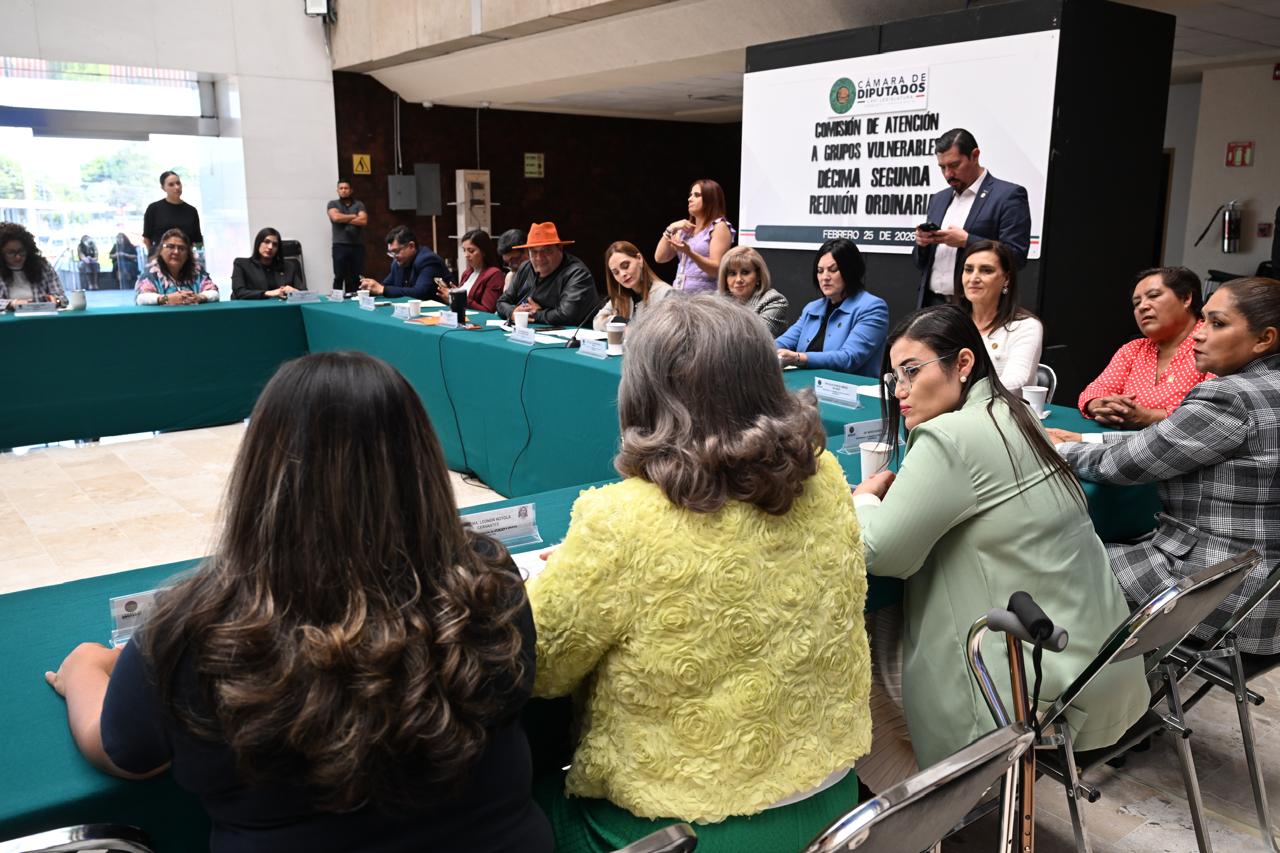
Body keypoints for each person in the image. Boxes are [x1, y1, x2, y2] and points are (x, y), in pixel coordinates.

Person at [45, 351, 552, 853]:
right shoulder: (487, 578)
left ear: (262, 468)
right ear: (420, 460)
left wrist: (84, 666)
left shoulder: (196, 627)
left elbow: (122, 751)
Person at [529, 295, 871, 851]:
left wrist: (579, 571)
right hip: (837, 810)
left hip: (681, 832)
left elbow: (541, 667)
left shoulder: (619, 521)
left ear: (642, 394)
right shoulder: (827, 479)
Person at [852, 305, 1148, 768]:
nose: (901, 391)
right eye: (894, 378)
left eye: (912, 371)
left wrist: (866, 500)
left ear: (963, 363)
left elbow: (882, 552)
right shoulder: (1018, 411)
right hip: (1099, 667)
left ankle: (918, 801)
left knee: (864, 665)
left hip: (1024, 691)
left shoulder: (948, 436)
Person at [1050, 277, 1280, 655]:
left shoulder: (1230, 396)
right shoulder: (1264, 389)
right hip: (1264, 596)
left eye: (1217, 323)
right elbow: (1169, 438)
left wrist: (1054, 450)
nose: (1200, 334)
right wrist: (1086, 439)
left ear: (1264, 339)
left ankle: (1077, 678)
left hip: (1212, 592)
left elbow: (1121, 466)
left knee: (1051, 559)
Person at [1077, 266, 1212, 428]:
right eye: (1136, 303)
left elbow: (1210, 412)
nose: (1142, 307)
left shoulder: (1212, 343)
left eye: (1153, 296)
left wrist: (1149, 417)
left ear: (1186, 298)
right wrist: (1101, 405)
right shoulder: (1134, 349)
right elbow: (1095, 390)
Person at [912, 129, 1031, 308]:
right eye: (942, 167)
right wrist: (923, 244)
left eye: (954, 165)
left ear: (975, 156)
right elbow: (920, 263)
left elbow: (1017, 256)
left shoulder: (1008, 196)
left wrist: (967, 241)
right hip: (931, 304)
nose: (948, 174)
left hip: (975, 308)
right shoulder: (938, 199)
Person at [775, 237, 888, 374]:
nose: (825, 277)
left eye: (833, 270)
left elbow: (849, 358)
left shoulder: (872, 308)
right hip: (809, 384)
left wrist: (798, 358)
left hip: (850, 386)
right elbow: (783, 342)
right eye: (820, 271)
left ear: (851, 271)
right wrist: (763, 350)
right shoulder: (812, 308)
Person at [958, 240, 1043, 394]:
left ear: (1006, 279)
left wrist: (959, 394)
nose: (973, 278)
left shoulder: (1026, 326)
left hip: (1001, 407)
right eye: (968, 270)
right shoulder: (951, 323)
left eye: (986, 270)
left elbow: (1016, 382)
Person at [494, 222, 597, 327]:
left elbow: (567, 315)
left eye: (547, 250)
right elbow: (501, 302)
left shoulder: (577, 273)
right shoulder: (525, 267)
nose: (539, 257)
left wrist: (537, 313)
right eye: (534, 252)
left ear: (560, 248)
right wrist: (513, 312)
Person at [653, 178, 734, 295]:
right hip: (679, 295)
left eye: (696, 195)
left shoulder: (719, 227)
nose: (690, 199)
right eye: (690, 195)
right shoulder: (685, 229)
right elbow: (660, 258)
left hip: (705, 298)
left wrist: (689, 252)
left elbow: (716, 269)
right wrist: (671, 227)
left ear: (710, 199)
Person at [591, 240, 672, 331]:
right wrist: (617, 321)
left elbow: (668, 333)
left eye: (625, 266)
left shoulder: (666, 294)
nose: (622, 274)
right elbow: (597, 322)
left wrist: (630, 328)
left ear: (639, 259)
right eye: (616, 272)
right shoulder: (621, 297)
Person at [359, 225, 453, 300]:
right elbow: (386, 285)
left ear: (411, 246)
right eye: (391, 253)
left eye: (396, 251)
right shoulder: (398, 262)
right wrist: (371, 287)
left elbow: (420, 293)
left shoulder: (428, 260)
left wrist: (382, 289)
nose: (394, 256)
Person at [716, 245, 789, 337]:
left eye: (745, 272)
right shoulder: (716, 299)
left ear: (758, 275)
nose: (738, 279)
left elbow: (754, 339)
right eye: (732, 273)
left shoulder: (774, 301)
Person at [134, 228, 219, 305]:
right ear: (161, 250)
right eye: (170, 247)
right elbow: (141, 298)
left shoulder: (197, 271)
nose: (176, 252)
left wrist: (200, 297)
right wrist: (166, 299)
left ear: (188, 254)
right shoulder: (151, 272)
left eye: (181, 248)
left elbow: (214, 293)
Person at [0, 221, 67, 307]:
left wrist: (56, 300)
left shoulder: (43, 267)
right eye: (11, 253)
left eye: (21, 251)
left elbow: (62, 298)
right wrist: (12, 303)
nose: (18, 257)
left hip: (42, 315)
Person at [231, 227, 307, 300]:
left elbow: (306, 294)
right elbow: (239, 292)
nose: (270, 247)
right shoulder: (241, 264)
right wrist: (269, 293)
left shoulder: (289, 267)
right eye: (266, 242)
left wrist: (295, 292)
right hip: (252, 307)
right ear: (258, 243)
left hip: (281, 307)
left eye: (275, 244)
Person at [444, 229, 505, 313]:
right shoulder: (466, 273)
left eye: (471, 251)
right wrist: (453, 296)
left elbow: (487, 311)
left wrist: (460, 298)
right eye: (464, 250)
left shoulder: (494, 274)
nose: (466, 255)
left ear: (484, 252)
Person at [142, 171, 203, 252]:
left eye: (178, 183)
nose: (177, 187)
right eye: (171, 184)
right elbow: (147, 238)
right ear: (163, 188)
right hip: (160, 256)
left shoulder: (192, 211)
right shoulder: (153, 208)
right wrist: (152, 255)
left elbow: (197, 239)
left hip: (184, 256)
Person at [327, 180, 367, 294]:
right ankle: (337, 299)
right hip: (340, 245)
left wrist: (343, 218)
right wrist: (354, 216)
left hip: (357, 246)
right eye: (341, 188)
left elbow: (363, 220)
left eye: (346, 188)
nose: (343, 190)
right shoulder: (333, 204)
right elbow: (336, 218)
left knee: (356, 276)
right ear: (337, 190)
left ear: (351, 190)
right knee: (339, 276)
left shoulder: (359, 205)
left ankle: (355, 298)